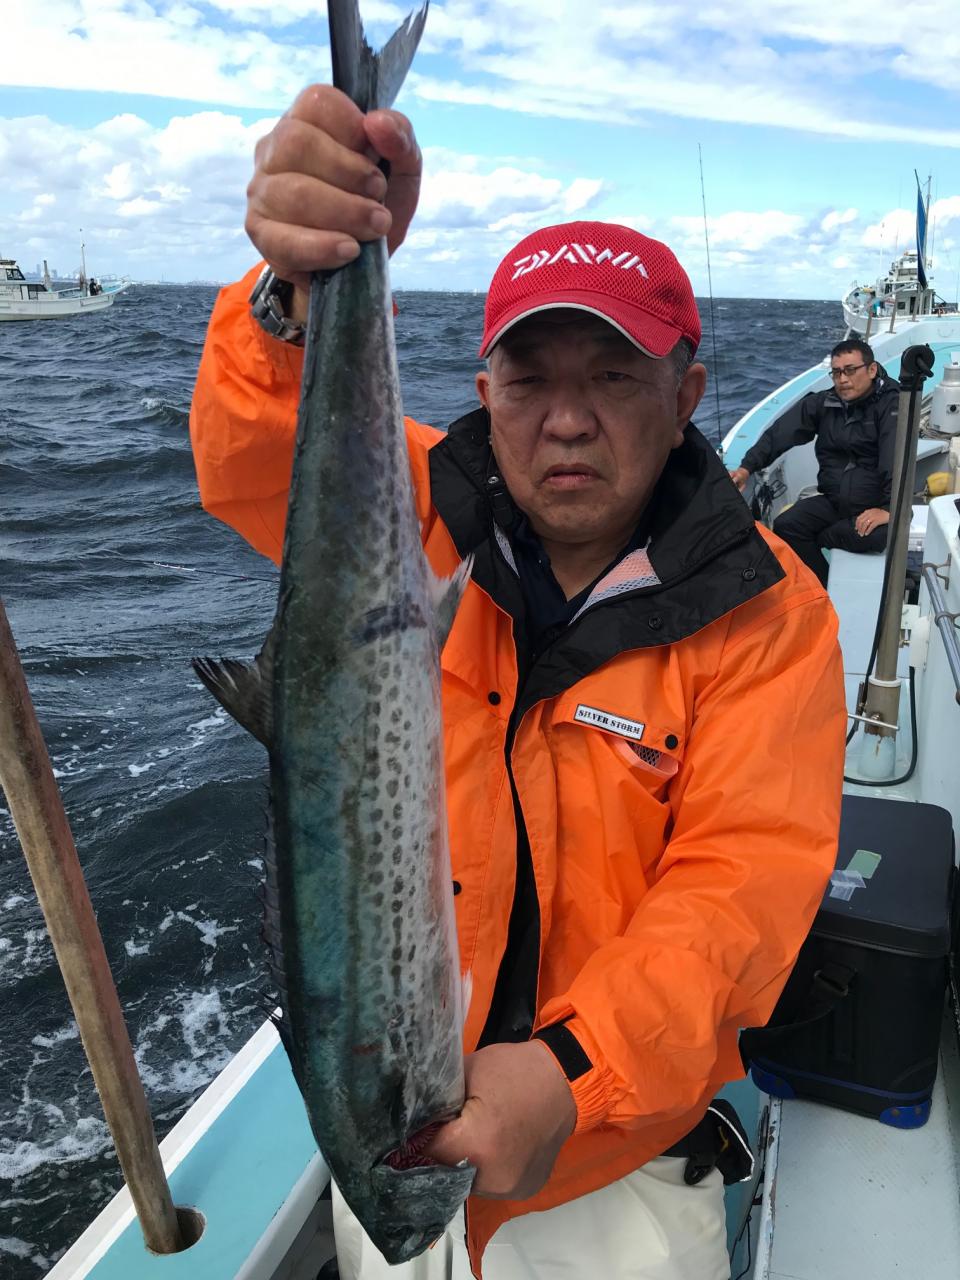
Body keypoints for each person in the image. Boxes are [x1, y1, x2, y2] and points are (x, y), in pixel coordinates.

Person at [190, 85, 847, 1280]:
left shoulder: (770, 613)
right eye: (529, 378)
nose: (568, 421)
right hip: (394, 1142)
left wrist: (571, 1073)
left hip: (611, 1171)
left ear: (688, 397)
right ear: (484, 391)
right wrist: (298, 287)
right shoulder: (420, 511)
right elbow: (254, 453)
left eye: (616, 376)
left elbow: (737, 894)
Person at [728, 339, 899, 586]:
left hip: (875, 503)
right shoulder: (824, 403)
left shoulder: (891, 404)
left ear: (871, 370)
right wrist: (746, 468)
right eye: (836, 372)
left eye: (850, 370)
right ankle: (823, 588)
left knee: (872, 536)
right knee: (786, 525)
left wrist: (889, 509)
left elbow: (895, 459)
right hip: (834, 501)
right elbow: (780, 434)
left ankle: (826, 538)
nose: (843, 379)